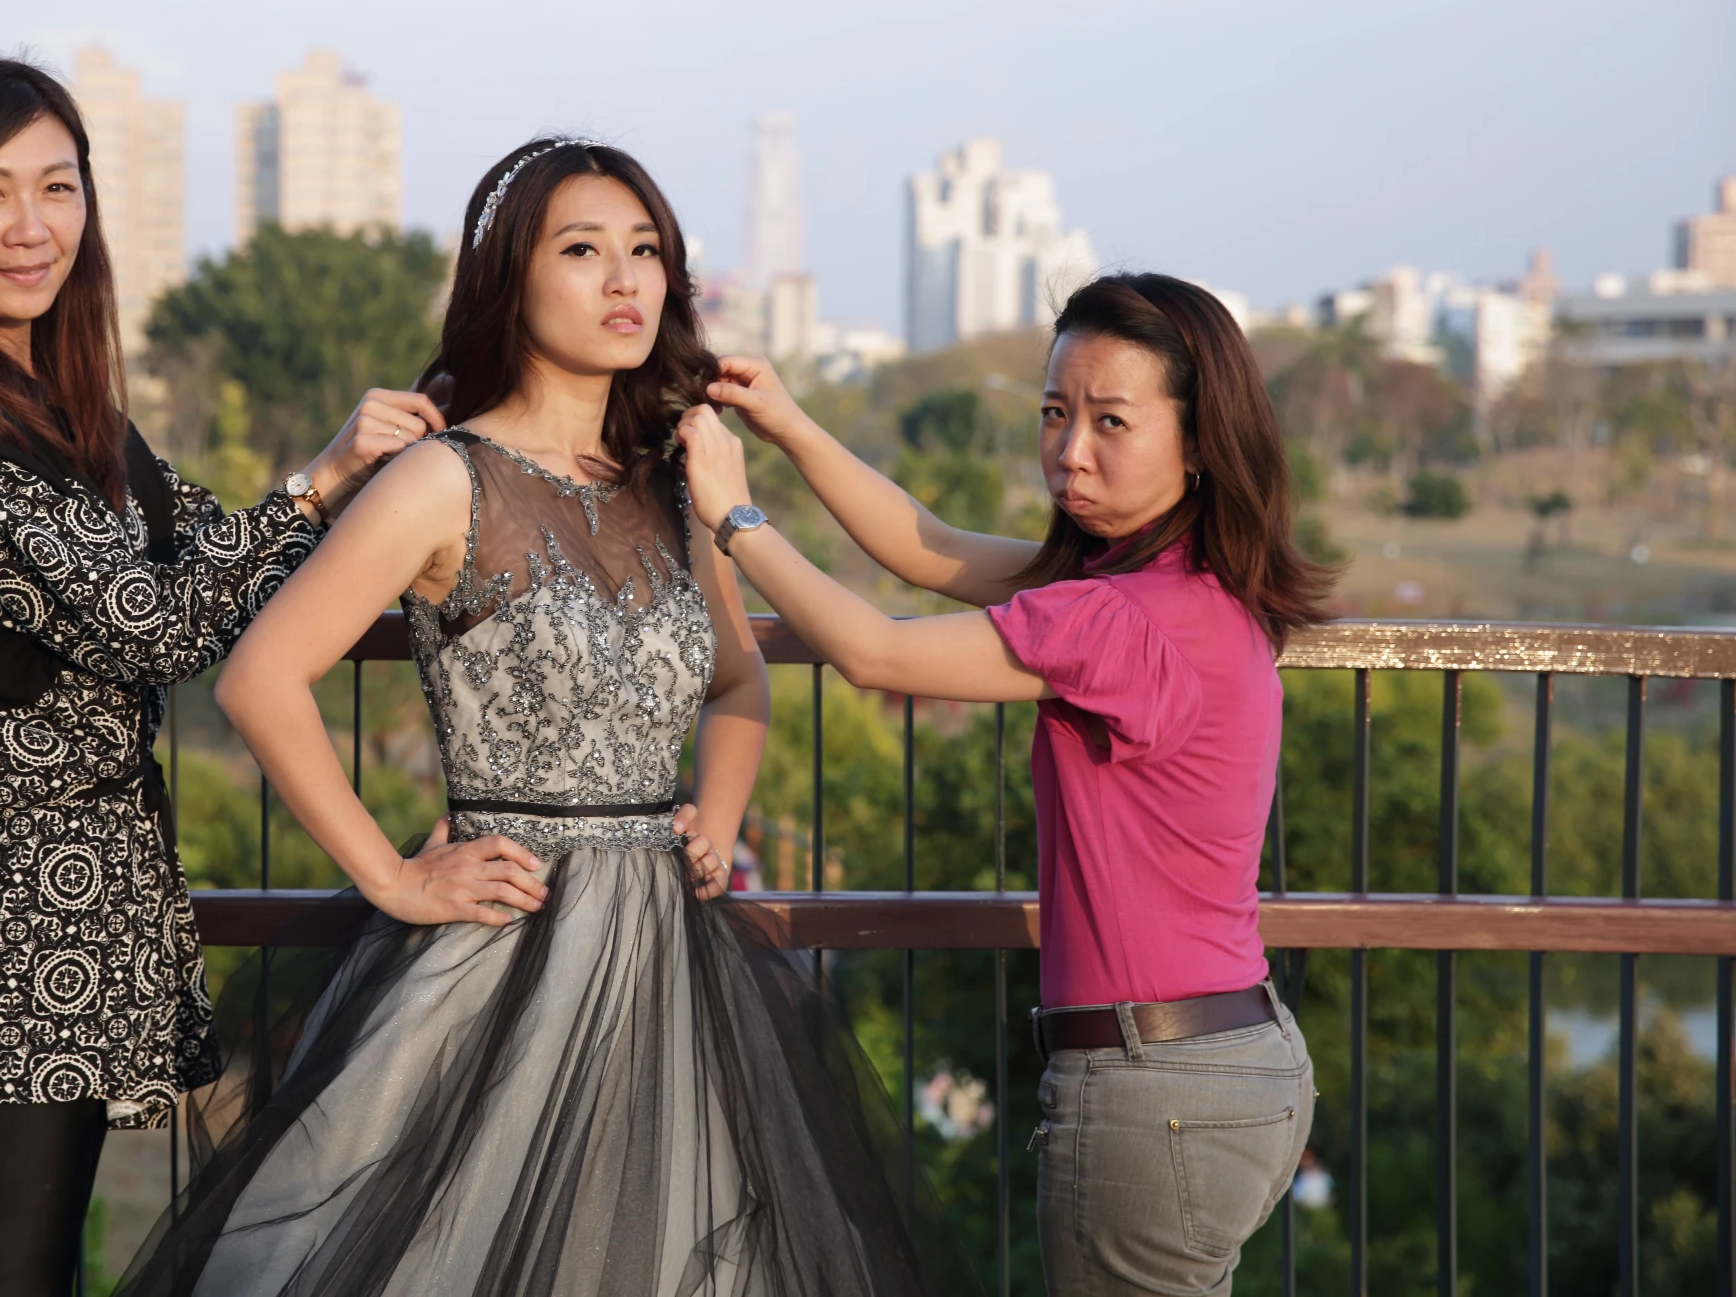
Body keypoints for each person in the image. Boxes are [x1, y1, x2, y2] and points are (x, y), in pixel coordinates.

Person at [120, 138, 975, 1296]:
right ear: (512, 282)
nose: (625, 280)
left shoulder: (675, 485)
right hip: (501, 944)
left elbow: (737, 684)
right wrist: (391, 876)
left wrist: (714, 821)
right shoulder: (443, 478)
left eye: (646, 253)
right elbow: (258, 678)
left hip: (673, 956)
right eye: (583, 251)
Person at [0, 55, 441, 1296]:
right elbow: (156, 628)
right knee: (6, 1275)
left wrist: (377, 492)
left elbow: (213, 552)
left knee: (59, 1259)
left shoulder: (62, 406)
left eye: (58, 189)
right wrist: (317, 484)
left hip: (96, 890)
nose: (31, 227)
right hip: (3, 908)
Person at [674, 272, 1333, 1297]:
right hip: (1237, 1061)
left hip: (1152, 1091)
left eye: (1111, 421)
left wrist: (733, 517)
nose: (1069, 450)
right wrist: (789, 422)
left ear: (1200, 441)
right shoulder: (1188, 584)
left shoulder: (1113, 619)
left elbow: (875, 653)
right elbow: (922, 547)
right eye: (1054, 413)